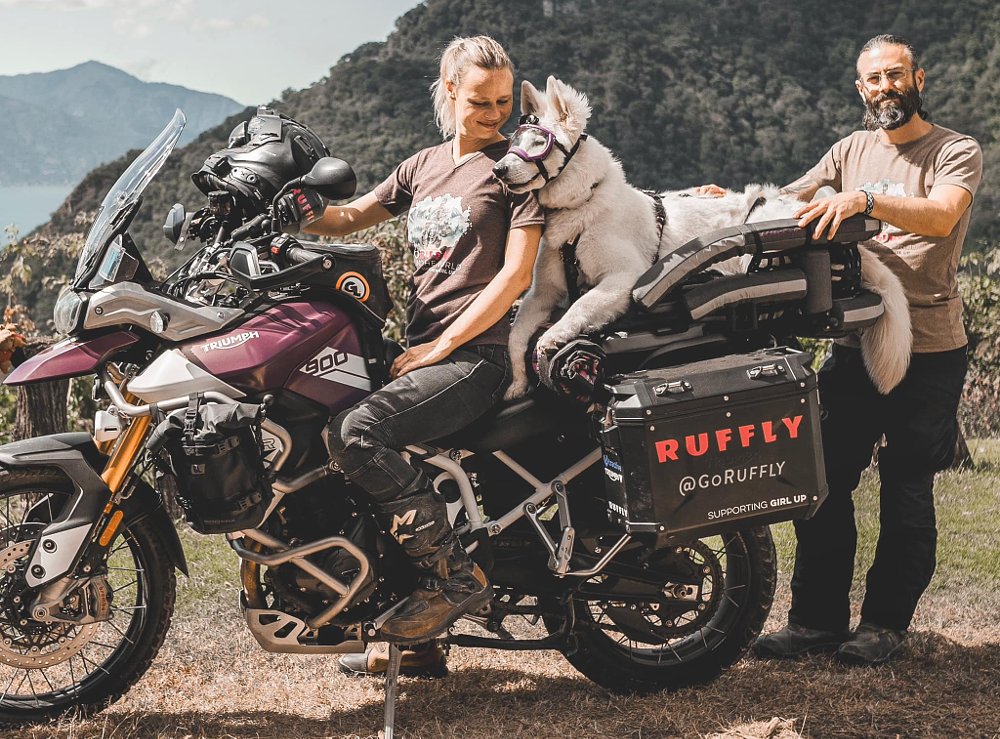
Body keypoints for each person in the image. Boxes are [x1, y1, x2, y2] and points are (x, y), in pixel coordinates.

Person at [703, 34, 982, 666]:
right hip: (856, 341)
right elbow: (791, 199)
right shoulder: (850, 149)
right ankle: (815, 623)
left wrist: (866, 200)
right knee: (821, 480)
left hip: (930, 347)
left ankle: (884, 625)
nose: (886, 87)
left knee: (906, 487)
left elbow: (941, 216)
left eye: (896, 75)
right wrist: (731, 202)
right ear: (861, 89)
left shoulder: (954, 150)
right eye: (874, 79)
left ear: (918, 79)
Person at [280, 36, 543, 676]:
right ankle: (416, 640)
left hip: (477, 354)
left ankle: (451, 578)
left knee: (357, 432)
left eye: (503, 101)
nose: (495, 115)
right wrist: (290, 211)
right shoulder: (422, 166)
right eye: (480, 101)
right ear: (450, 92)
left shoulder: (517, 168)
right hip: (426, 348)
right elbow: (349, 219)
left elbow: (516, 276)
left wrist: (442, 346)